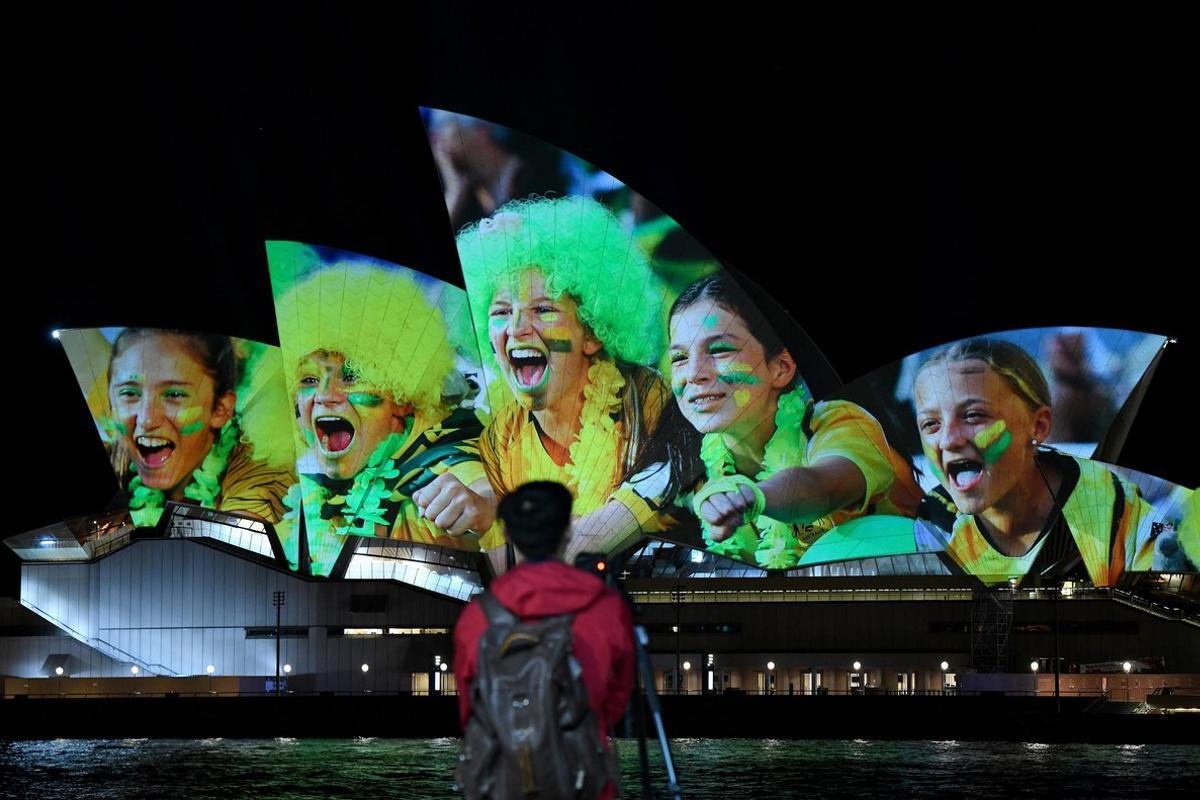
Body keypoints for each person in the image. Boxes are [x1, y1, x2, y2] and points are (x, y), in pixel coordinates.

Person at [575, 274, 922, 569]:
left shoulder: (838, 425)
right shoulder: (684, 460)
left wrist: (754, 497)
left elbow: (823, 487)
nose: (694, 374)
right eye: (680, 357)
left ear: (781, 368)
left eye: (720, 351)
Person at [456, 196, 671, 571]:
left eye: (543, 309)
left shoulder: (648, 401)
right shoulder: (501, 437)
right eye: (501, 312)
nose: (517, 328)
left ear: (592, 331)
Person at [272, 262, 497, 576]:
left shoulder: (441, 461)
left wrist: (483, 507)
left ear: (402, 397)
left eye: (350, 377)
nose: (324, 395)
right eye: (308, 380)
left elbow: (479, 489)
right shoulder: (309, 490)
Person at [913, 338, 1158, 586]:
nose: (947, 440)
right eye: (931, 424)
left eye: (973, 415)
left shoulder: (1112, 507)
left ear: (1038, 426)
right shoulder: (935, 521)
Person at [453, 481, 634, 800]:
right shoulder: (606, 607)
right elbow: (616, 702)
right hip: (584, 782)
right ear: (567, 531)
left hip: (502, 782)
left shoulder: (477, 618)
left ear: (508, 534)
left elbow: (470, 708)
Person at [104, 328, 293, 528]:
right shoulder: (117, 459)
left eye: (174, 395)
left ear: (221, 409)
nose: (146, 420)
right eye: (129, 392)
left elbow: (231, 549)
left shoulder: (260, 471)